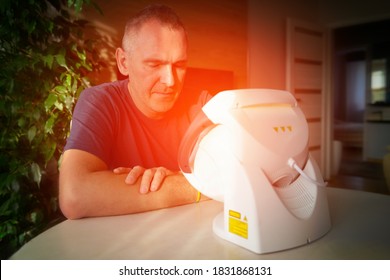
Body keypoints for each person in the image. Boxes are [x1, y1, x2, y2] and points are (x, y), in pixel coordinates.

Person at [59, 4, 211, 219]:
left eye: (179, 65)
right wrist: (191, 183)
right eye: (154, 64)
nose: (170, 81)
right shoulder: (100, 101)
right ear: (123, 62)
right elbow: (75, 195)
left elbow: (240, 172)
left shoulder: (202, 103)